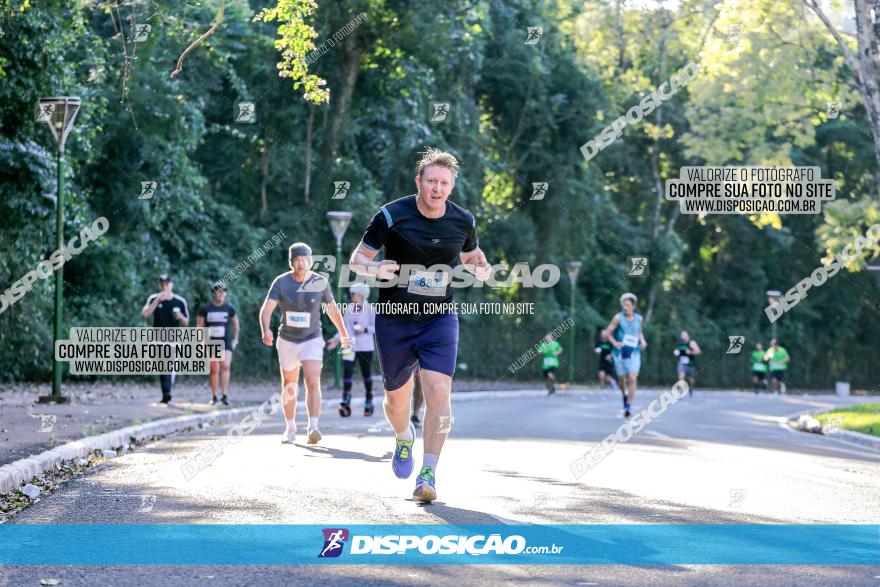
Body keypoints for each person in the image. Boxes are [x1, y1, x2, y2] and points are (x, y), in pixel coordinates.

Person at [349, 147, 491, 503]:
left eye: (444, 183)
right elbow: (357, 259)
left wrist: (480, 265)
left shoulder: (463, 221)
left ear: (452, 186)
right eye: (431, 181)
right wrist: (374, 268)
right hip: (394, 320)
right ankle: (403, 437)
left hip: (439, 318)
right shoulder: (392, 215)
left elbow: (471, 254)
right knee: (396, 401)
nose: (437, 188)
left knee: (438, 390)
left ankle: (428, 472)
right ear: (419, 182)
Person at [259, 242, 352, 445]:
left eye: (304, 259)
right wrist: (265, 329)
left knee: (312, 381)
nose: (301, 263)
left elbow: (332, 310)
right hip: (287, 339)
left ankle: (313, 426)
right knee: (290, 385)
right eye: (297, 260)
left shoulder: (320, 282)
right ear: (291, 262)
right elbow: (266, 310)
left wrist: (344, 333)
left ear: (309, 261)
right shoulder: (281, 282)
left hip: (312, 338)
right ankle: (290, 426)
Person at [327, 283, 377, 417]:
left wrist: (365, 329)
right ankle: (346, 400)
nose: (352, 295)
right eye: (352, 293)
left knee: (366, 373)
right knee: (347, 371)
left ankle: (369, 400)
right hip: (349, 345)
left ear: (361, 295)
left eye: (354, 293)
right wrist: (335, 339)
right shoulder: (349, 308)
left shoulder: (370, 309)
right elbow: (343, 327)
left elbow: (376, 327)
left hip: (365, 346)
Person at [141, 274, 189, 404]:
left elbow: (186, 322)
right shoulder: (153, 298)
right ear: (159, 285)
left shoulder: (180, 301)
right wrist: (157, 301)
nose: (164, 286)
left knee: (169, 365)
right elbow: (145, 314)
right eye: (162, 284)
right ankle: (166, 393)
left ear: (171, 285)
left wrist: (180, 317)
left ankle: (166, 392)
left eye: (167, 284)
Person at [602, 293, 647, 418]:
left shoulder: (639, 319)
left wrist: (642, 341)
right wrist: (615, 343)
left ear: (633, 306)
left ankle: (628, 405)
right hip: (619, 353)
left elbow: (639, 333)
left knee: (632, 378)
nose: (625, 307)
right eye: (623, 305)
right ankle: (624, 395)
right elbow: (607, 333)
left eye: (627, 305)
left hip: (633, 352)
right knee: (622, 380)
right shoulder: (618, 317)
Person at [196, 283, 239, 406]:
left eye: (224, 292)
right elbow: (199, 326)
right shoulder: (205, 309)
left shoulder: (229, 308)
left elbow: (236, 324)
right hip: (211, 342)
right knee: (214, 369)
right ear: (213, 293)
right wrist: (201, 342)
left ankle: (224, 396)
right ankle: (214, 396)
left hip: (225, 341)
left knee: (225, 366)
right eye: (219, 291)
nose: (221, 294)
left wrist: (236, 339)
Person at [674, 330, 701, 396]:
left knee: (691, 380)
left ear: (687, 336)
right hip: (682, 363)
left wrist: (691, 352)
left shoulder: (691, 343)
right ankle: (680, 393)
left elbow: (698, 352)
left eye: (684, 335)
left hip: (690, 364)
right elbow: (677, 351)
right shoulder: (680, 343)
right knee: (681, 377)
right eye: (681, 335)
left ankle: (690, 388)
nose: (682, 337)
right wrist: (676, 352)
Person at [595, 329, 617, 397]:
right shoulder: (599, 342)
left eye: (605, 333)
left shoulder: (610, 342)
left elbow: (615, 351)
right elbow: (596, 349)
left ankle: (612, 382)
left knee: (607, 377)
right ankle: (602, 391)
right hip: (602, 362)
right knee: (601, 376)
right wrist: (597, 351)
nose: (603, 335)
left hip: (609, 362)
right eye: (602, 333)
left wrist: (610, 356)